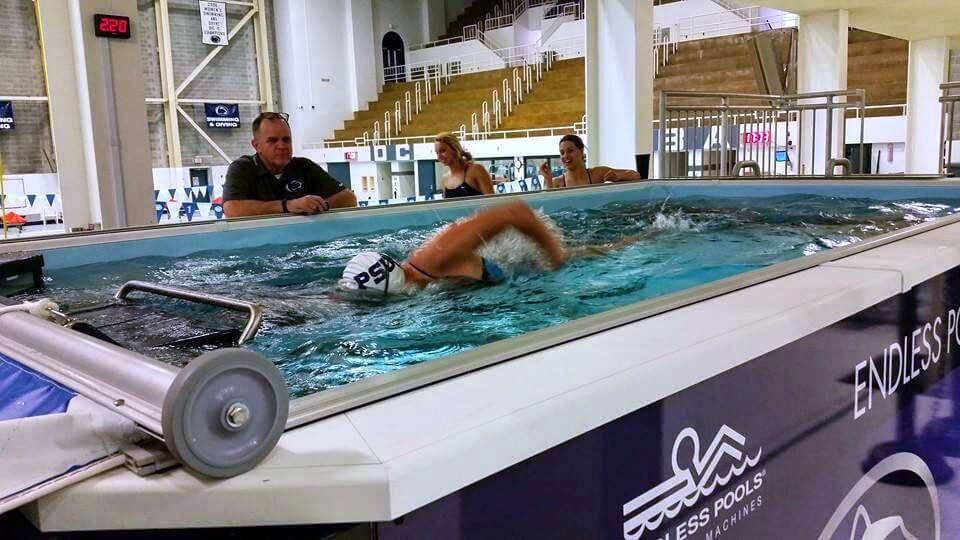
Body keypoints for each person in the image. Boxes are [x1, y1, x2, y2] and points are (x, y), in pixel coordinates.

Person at [339, 201, 566, 296]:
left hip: (525, 239)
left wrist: (555, 257)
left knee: (574, 260)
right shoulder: (415, 280)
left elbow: (516, 211)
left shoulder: (434, 257)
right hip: (505, 263)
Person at [223, 112, 357, 217]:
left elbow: (349, 199)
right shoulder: (242, 168)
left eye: (286, 140)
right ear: (256, 145)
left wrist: (317, 206)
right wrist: (288, 206)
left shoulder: (304, 167)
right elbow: (232, 210)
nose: (281, 146)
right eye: (272, 140)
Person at [539, 134, 644, 189]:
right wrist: (548, 179)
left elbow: (636, 175)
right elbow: (549, 209)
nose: (565, 156)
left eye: (570, 151)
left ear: (581, 151)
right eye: (562, 153)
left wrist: (618, 177)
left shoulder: (597, 174)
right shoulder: (557, 183)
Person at [435, 132, 494, 198]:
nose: (439, 156)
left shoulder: (476, 170)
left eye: (443, 151)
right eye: (437, 153)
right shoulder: (445, 179)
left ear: (455, 149)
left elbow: (492, 202)